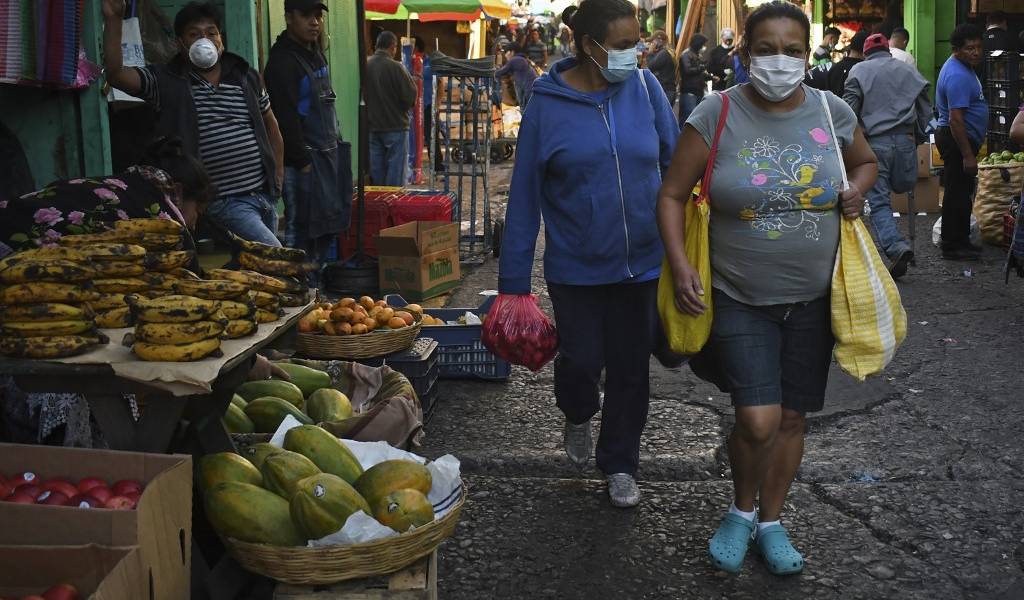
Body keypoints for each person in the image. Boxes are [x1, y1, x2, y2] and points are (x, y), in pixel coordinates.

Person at [656, 0, 877, 576]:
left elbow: (866, 163)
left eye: (792, 50)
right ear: (746, 53)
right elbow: (672, 194)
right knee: (757, 419)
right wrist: (680, 265)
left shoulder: (831, 110)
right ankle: (740, 509)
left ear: (807, 55)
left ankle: (771, 521)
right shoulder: (716, 112)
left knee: (792, 420)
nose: (780, 60)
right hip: (738, 295)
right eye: (766, 49)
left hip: (816, 298)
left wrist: (855, 190)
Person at [497, 0, 679, 508]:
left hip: (643, 263)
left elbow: (676, 162)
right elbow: (525, 195)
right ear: (587, 46)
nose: (635, 54)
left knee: (630, 370)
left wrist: (685, 242)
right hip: (576, 268)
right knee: (580, 363)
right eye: (623, 45)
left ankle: (620, 463)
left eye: (637, 43)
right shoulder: (546, 105)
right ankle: (577, 413)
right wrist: (513, 284)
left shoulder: (646, 88)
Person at [101, 0, 285, 249]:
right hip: (222, 202)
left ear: (221, 39)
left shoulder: (245, 76)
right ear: (180, 43)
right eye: (194, 34)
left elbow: (271, 125)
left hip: (262, 196)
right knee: (275, 255)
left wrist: (277, 178)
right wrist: (114, 20)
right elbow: (116, 75)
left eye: (211, 33)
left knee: (253, 266)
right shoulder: (166, 81)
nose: (204, 40)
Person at [0, 137, 213, 254]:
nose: (194, 225)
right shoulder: (165, 221)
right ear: (178, 192)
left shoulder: (122, 184)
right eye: (198, 212)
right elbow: (191, 279)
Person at [264, 0, 351, 273]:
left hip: (327, 156)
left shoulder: (314, 53)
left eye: (318, 16)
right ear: (289, 17)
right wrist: (303, 163)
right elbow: (284, 118)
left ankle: (317, 283)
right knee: (301, 231)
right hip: (302, 164)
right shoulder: (282, 62)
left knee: (327, 225)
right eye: (306, 16)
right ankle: (298, 285)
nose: (315, 22)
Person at [844, 33, 932, 278]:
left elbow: (848, 112)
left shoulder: (858, 71)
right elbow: (925, 109)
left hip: (875, 144)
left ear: (866, 53)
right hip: (905, 141)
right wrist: (920, 136)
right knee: (905, 187)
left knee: (879, 200)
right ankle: (901, 245)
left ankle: (896, 247)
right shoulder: (907, 70)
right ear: (888, 50)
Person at [936, 24, 988, 261]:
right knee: (956, 193)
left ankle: (962, 240)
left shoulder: (964, 67)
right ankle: (952, 245)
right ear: (956, 50)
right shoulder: (957, 75)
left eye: (978, 47)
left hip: (960, 139)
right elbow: (956, 120)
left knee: (962, 191)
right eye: (969, 48)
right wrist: (967, 155)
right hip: (956, 139)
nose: (976, 52)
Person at [366, 31, 417, 187]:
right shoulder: (397, 67)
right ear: (393, 47)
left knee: (377, 177)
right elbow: (410, 97)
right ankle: (393, 203)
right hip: (396, 127)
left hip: (372, 128)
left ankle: (379, 202)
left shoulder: (365, 65)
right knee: (396, 179)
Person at [806, 29, 868, 98]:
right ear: (831, 38)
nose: (836, 44)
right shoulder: (822, 54)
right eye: (836, 41)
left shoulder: (822, 52)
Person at [679, 33, 710, 124]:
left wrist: (710, 77)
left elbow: (699, 73)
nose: (704, 47)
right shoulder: (686, 55)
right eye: (703, 44)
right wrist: (701, 67)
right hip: (689, 91)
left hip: (698, 90)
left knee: (696, 118)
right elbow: (687, 70)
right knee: (688, 117)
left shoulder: (696, 55)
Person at [495, 44, 539, 108]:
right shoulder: (522, 58)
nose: (505, 55)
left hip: (527, 86)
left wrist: (493, 72)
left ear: (512, 52)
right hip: (528, 85)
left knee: (525, 105)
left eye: (506, 52)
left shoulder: (515, 59)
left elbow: (502, 71)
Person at [646, 30, 677, 107]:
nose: (651, 44)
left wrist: (650, 53)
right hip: (667, 90)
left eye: (652, 41)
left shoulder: (664, 53)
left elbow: (650, 66)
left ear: (659, 40)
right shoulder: (667, 52)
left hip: (665, 90)